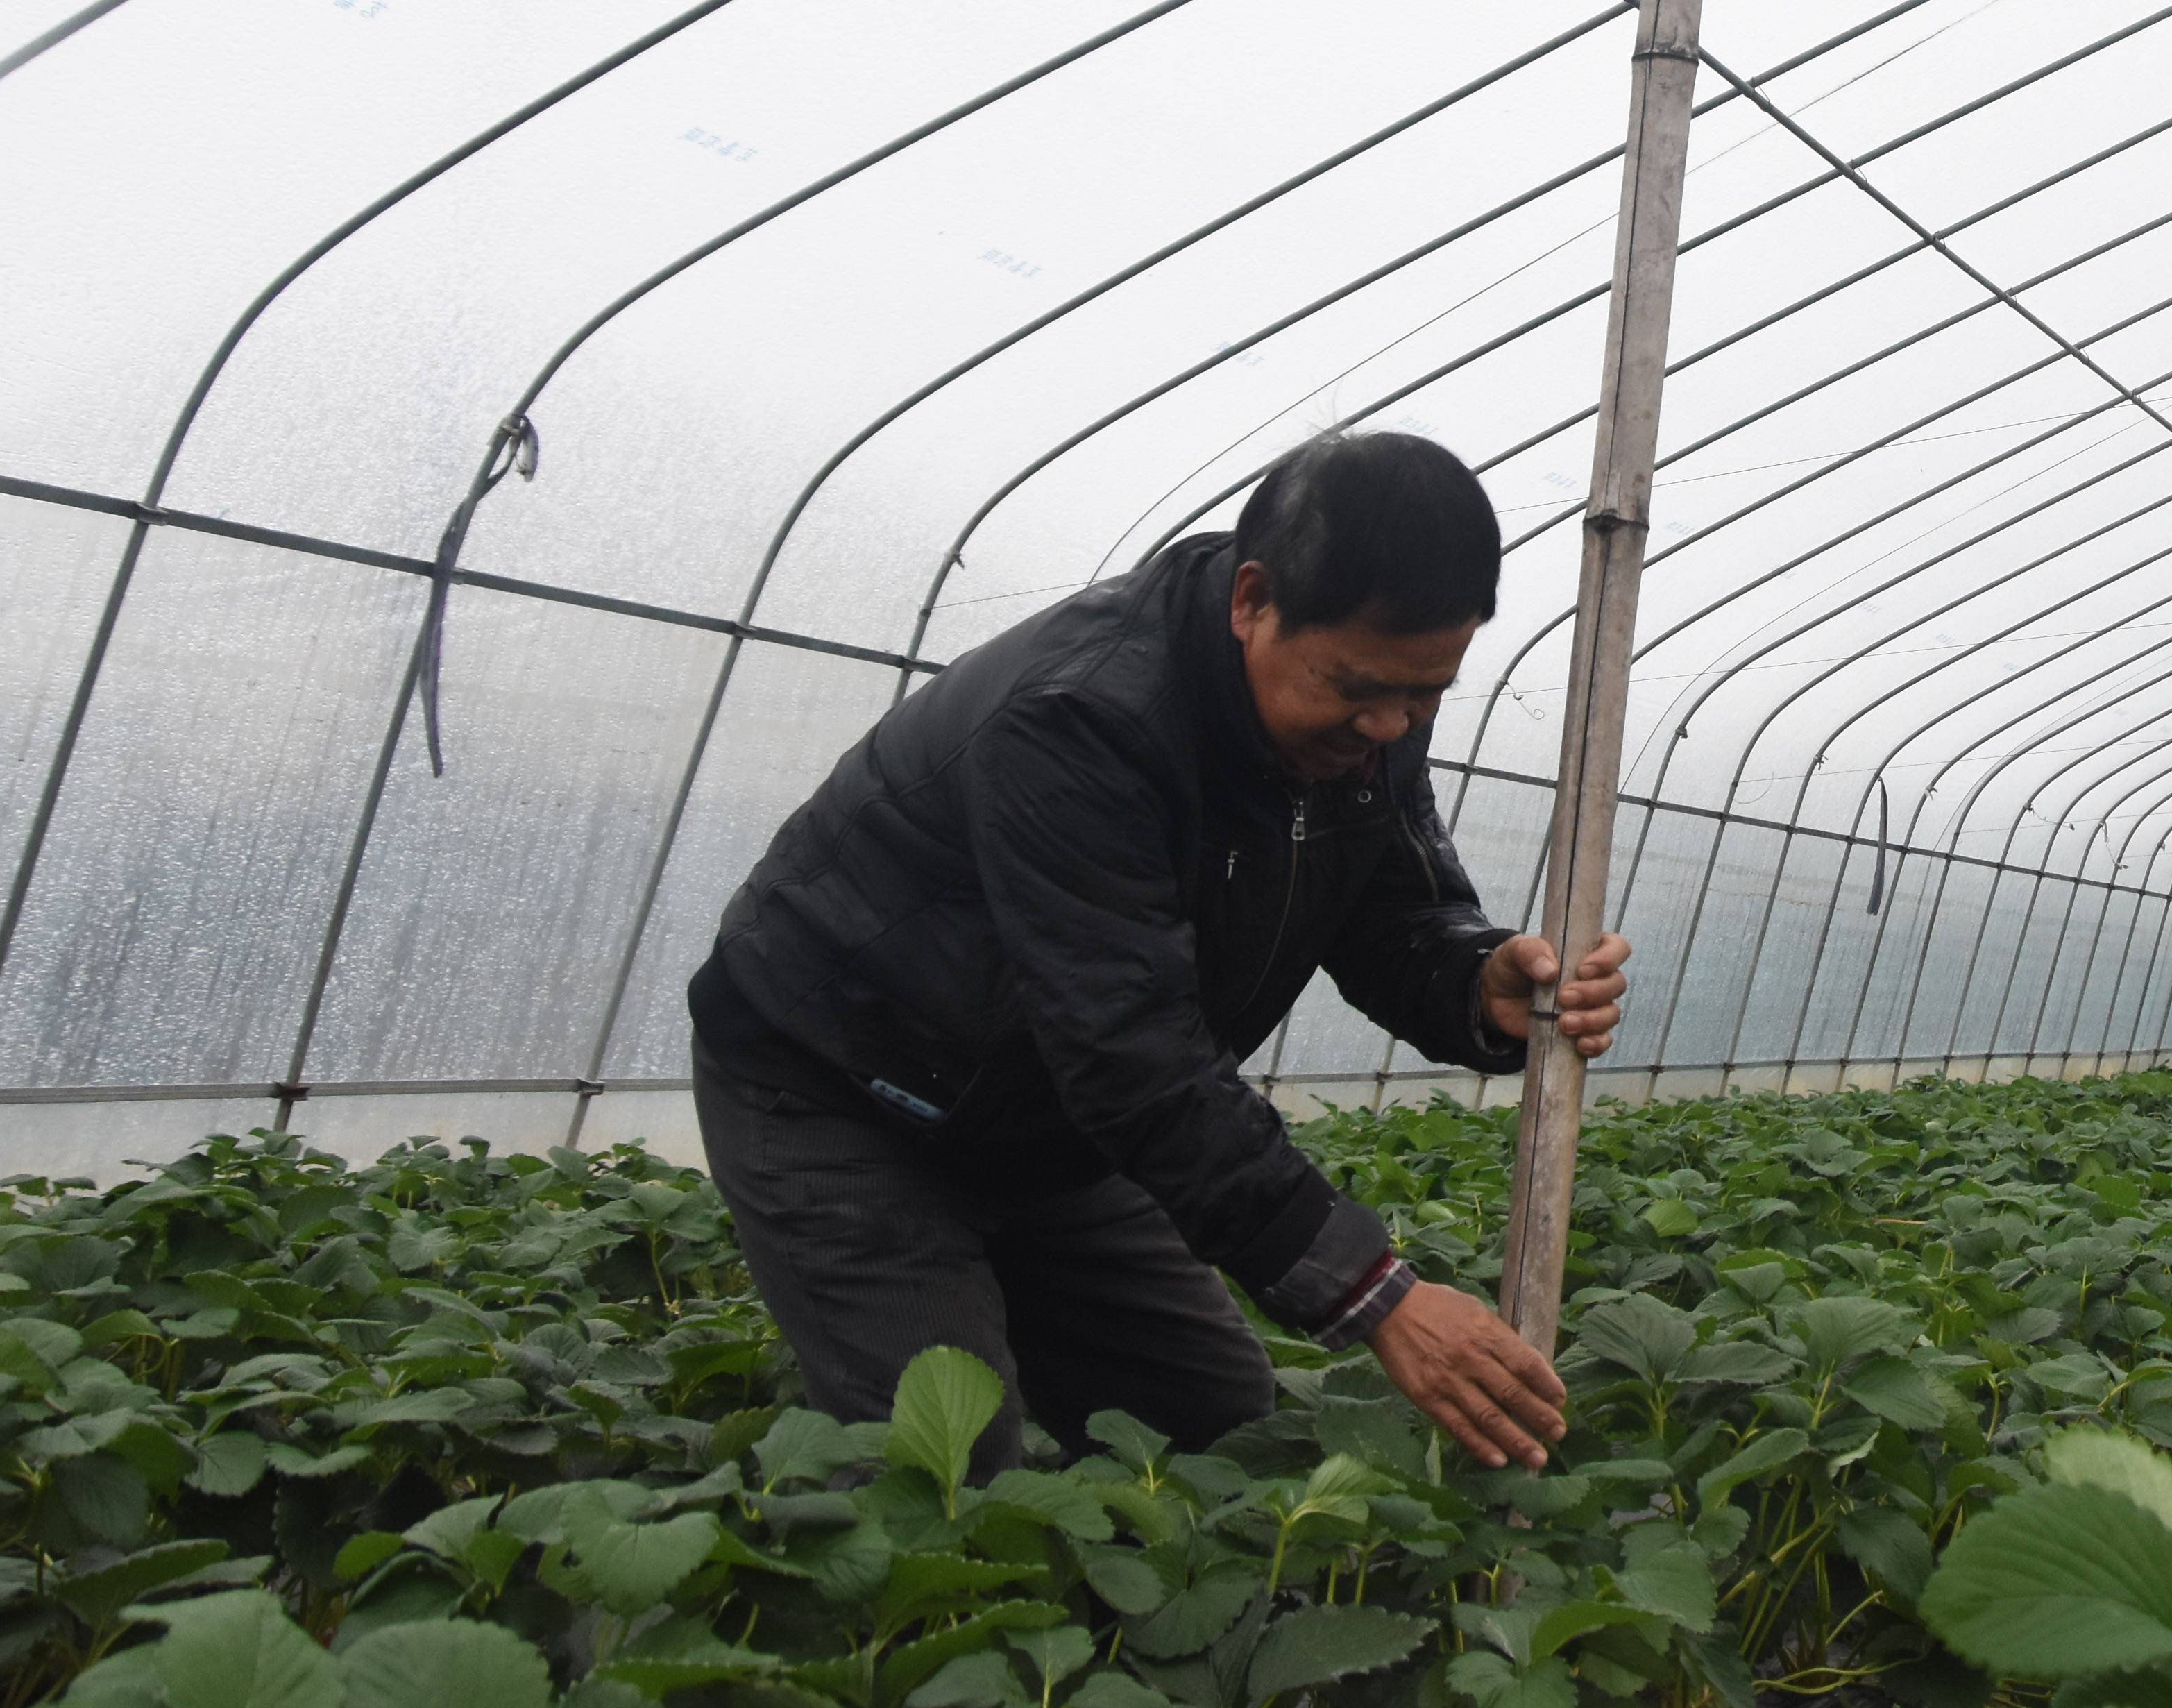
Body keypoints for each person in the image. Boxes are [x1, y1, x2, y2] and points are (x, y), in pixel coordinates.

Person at [685, 428, 1631, 1476]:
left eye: (1426, 693)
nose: (1388, 725)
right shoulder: (1084, 717)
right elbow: (1131, 1050)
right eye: (1357, 685)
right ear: (1252, 600)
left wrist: (1476, 981)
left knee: (1223, 1429)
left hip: (1047, 1123)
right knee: (940, 1476)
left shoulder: (1367, 724)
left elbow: (1389, 917)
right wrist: (1376, 1295)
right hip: (847, 1094)